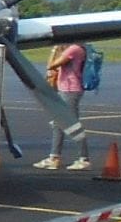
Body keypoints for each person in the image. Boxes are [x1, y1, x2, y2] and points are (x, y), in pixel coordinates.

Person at [34, 42, 92, 171]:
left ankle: (84, 158)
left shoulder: (73, 49)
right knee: (58, 123)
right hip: (65, 88)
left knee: (72, 124)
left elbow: (52, 65)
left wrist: (54, 50)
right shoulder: (79, 48)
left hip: (70, 90)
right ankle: (54, 157)